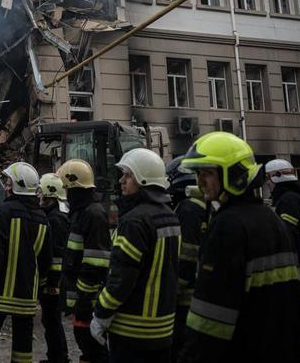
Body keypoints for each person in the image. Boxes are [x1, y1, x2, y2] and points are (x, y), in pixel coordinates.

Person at [177, 132, 300, 363]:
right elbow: (298, 305)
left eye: (208, 173)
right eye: (198, 173)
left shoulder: (226, 225)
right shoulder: (272, 220)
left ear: (233, 174)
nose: (200, 181)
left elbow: (210, 318)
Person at [90, 148, 180, 363]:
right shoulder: (170, 216)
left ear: (144, 179)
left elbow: (121, 277)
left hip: (132, 332)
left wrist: (101, 313)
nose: (122, 180)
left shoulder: (135, 221)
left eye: (128, 175)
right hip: (163, 330)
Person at [0, 162, 52, 363]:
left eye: (9, 182)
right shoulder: (43, 219)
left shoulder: (5, 212)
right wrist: (40, 288)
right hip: (26, 296)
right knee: (23, 346)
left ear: (18, 186)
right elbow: (45, 260)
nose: (6, 186)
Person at [58, 159, 110, 363]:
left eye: (67, 189)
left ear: (75, 188)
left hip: (88, 300)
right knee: (85, 344)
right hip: (81, 299)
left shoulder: (93, 214)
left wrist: (84, 300)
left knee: (92, 346)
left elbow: (95, 263)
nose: (66, 195)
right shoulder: (81, 213)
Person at [167, 156, 209, 359]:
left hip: (186, 298)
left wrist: (174, 289)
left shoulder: (188, 209)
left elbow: (187, 255)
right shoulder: (199, 205)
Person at [38, 173, 71, 363]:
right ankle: (56, 357)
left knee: (52, 321)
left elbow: (57, 256)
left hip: (54, 282)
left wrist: (51, 283)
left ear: (49, 195)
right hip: (55, 280)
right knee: (50, 321)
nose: (38, 196)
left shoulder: (55, 220)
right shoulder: (55, 215)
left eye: (40, 193)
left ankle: (59, 358)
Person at [266, 158, 300, 289]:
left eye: (268, 178)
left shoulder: (289, 200)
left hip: (294, 269)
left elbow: (285, 235)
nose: (267, 183)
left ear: (276, 177)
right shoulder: (290, 197)